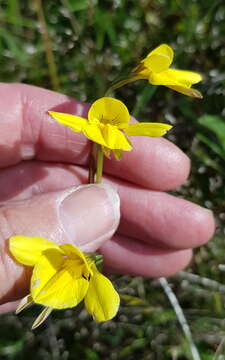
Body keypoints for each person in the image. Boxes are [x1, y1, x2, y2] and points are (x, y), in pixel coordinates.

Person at [0, 83, 214, 313]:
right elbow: (16, 246)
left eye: (112, 121)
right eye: (105, 120)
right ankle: (46, 297)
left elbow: (18, 245)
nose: (108, 120)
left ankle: (46, 297)